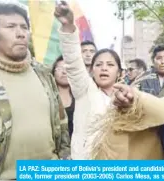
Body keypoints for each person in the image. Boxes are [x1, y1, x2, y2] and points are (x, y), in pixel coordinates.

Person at [0, 3, 70, 180]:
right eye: (10, 27)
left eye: (24, 27)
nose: (20, 33)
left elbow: (61, 123)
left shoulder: (43, 73)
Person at [54, 2, 122, 159]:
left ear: (119, 72)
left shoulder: (127, 98)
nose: (104, 68)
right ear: (92, 70)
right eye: (98, 64)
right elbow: (72, 60)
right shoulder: (84, 89)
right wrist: (68, 27)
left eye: (110, 65)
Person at [52, 56, 75, 138]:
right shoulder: (48, 97)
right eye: (60, 68)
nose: (64, 72)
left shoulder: (80, 98)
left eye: (68, 69)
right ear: (53, 73)